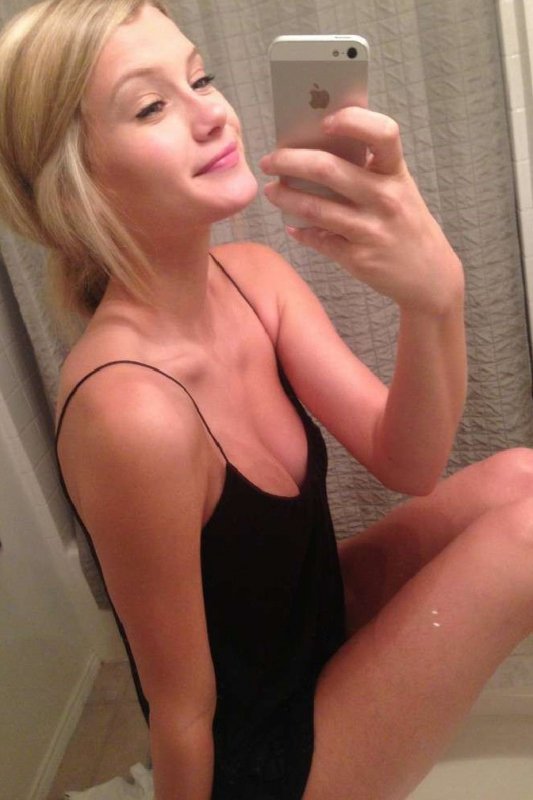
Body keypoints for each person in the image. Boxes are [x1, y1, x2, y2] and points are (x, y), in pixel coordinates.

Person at [1, 1, 533, 799]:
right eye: (151, 106)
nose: (212, 113)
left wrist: (434, 299)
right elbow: (183, 710)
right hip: (265, 757)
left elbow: (410, 463)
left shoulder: (255, 278)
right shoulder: (129, 411)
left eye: (200, 78)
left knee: (519, 476)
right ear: (74, 188)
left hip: (314, 631)